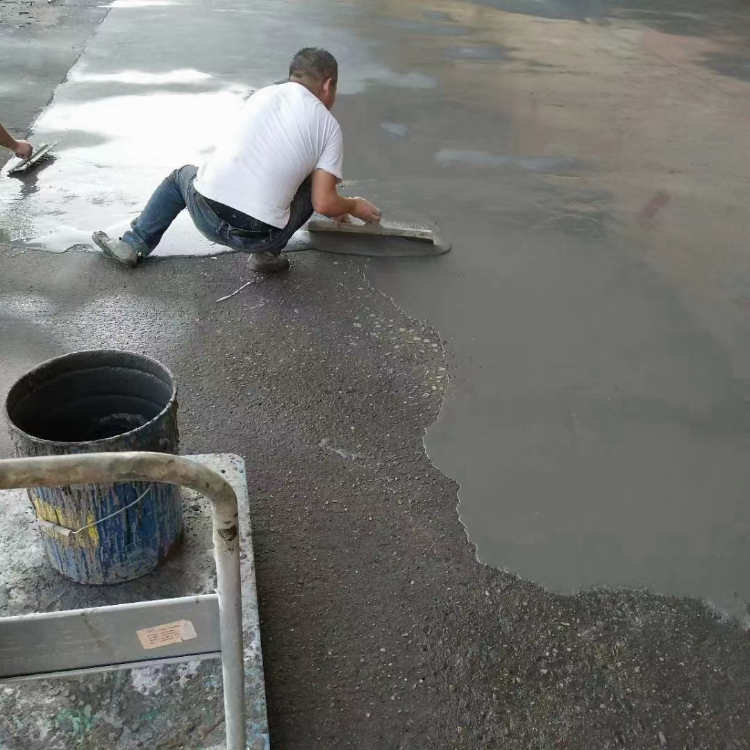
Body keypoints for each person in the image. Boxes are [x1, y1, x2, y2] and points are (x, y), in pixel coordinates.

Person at [92, 47, 381, 272]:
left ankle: (133, 244)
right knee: (310, 184)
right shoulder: (328, 126)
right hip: (258, 235)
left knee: (180, 176)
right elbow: (323, 202)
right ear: (328, 85)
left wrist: (333, 206)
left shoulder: (261, 95)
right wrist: (351, 205)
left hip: (204, 214)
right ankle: (265, 256)